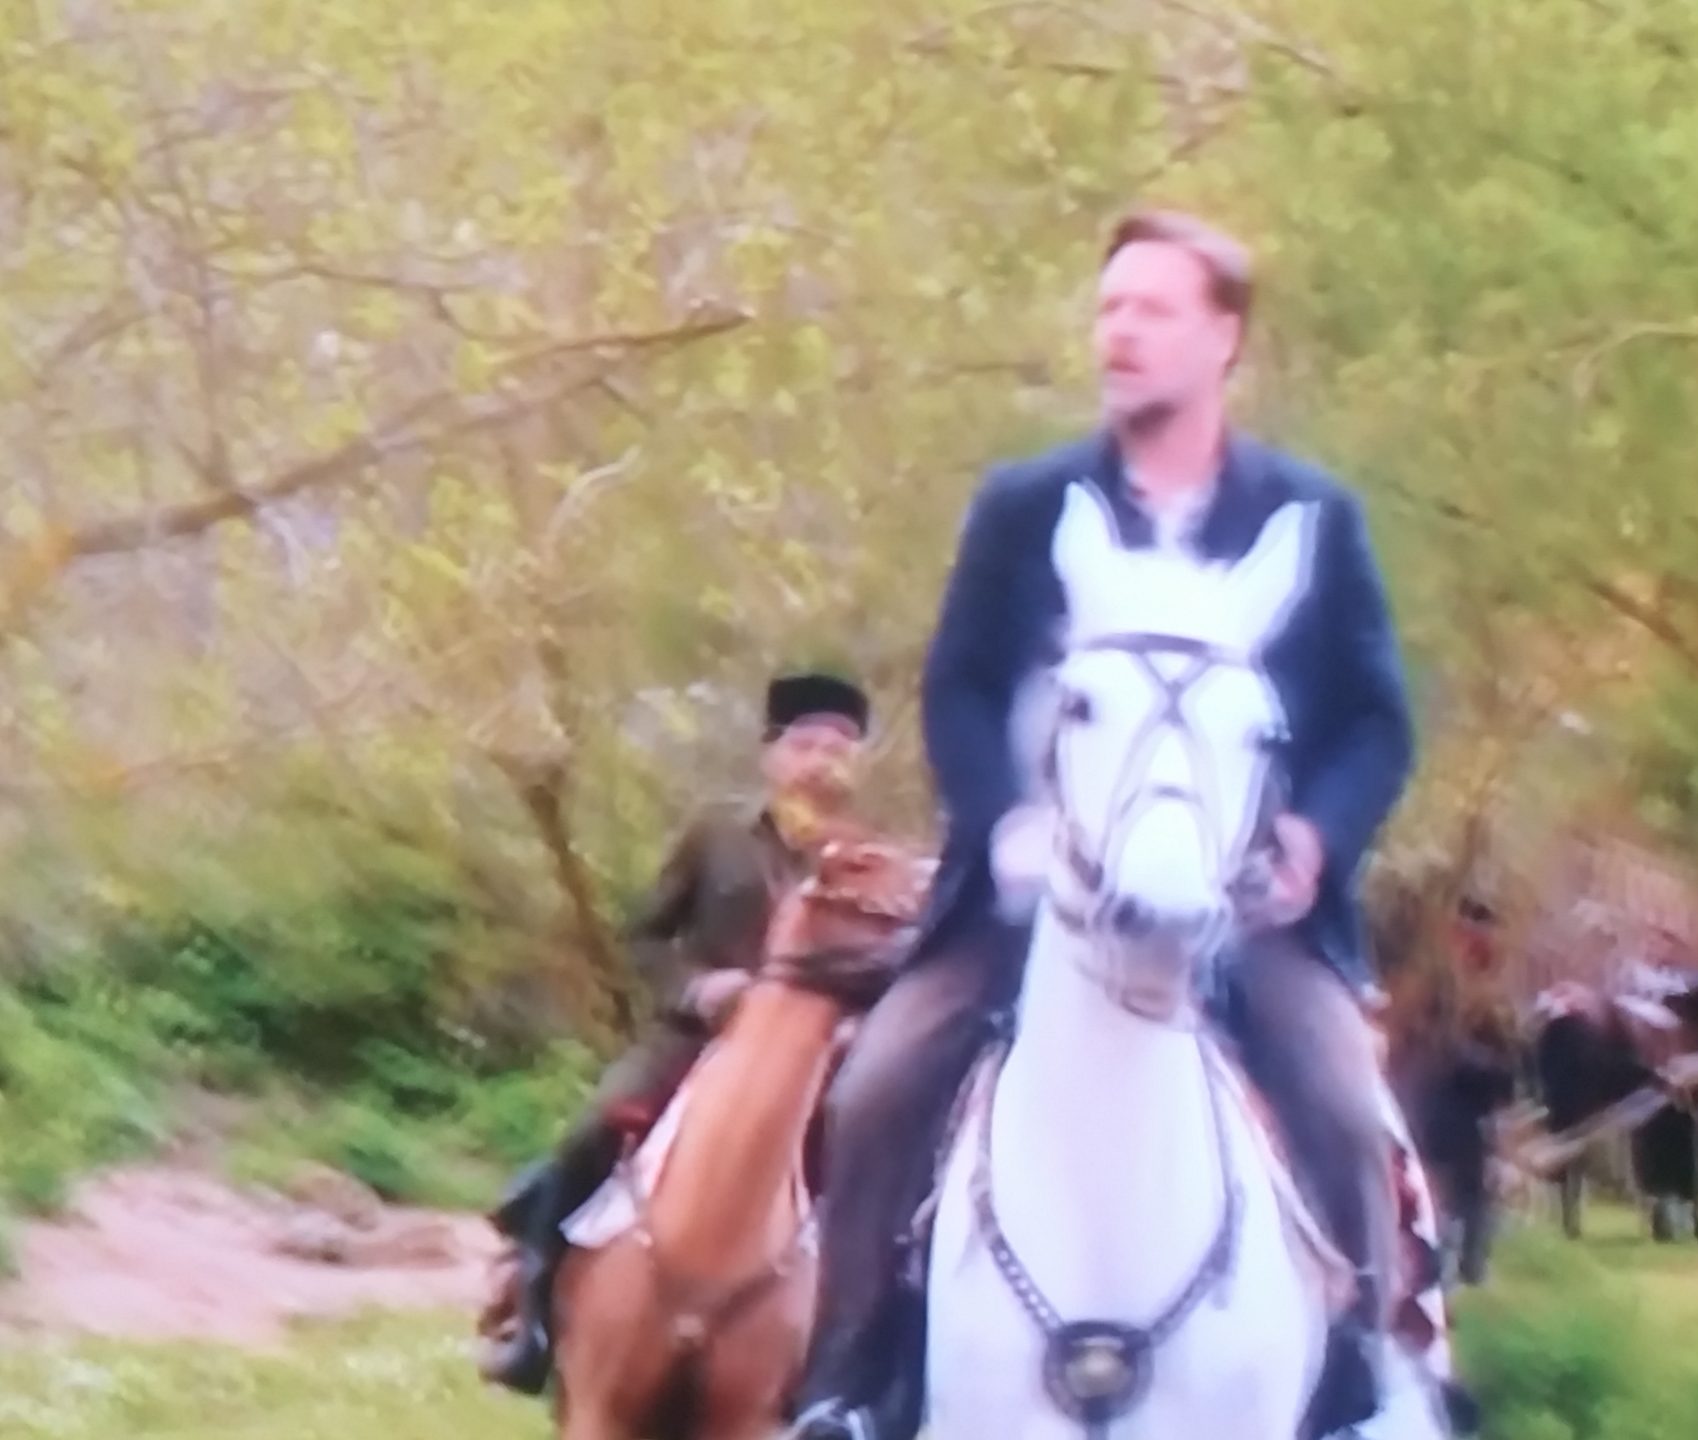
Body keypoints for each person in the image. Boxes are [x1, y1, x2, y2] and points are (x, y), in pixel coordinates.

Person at [787, 210, 1416, 1440]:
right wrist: (1004, 824)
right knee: (876, 1087)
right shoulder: (1024, 504)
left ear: (1224, 338)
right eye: (1109, 308)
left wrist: (1315, 840)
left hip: (1246, 908)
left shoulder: (1312, 515)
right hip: (1036, 900)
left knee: (1346, 1106)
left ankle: (1362, 1382)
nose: (1119, 333)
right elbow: (960, 687)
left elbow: (1375, 721)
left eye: (1153, 310)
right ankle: (851, 1382)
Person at [477, 670, 877, 1395]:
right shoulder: (715, 833)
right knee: (598, 1125)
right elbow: (647, 935)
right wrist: (698, 989)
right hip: (698, 1042)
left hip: (809, 1065)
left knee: (877, 1176)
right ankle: (534, 1309)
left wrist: (853, 1025)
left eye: (839, 750)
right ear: (772, 753)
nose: (822, 763)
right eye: (808, 745)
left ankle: (843, 1373)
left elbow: (876, 968)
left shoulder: (862, 860)